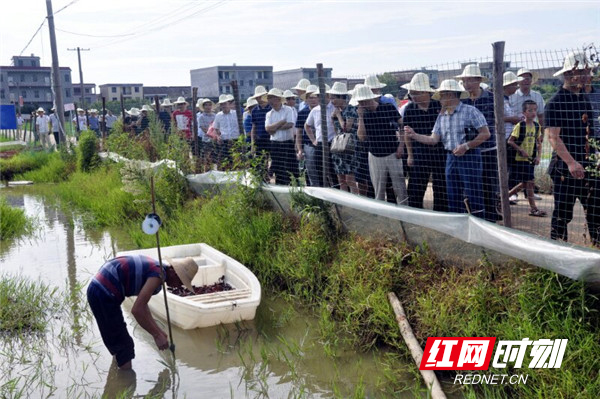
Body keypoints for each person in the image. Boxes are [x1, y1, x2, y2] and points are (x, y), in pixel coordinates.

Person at [87, 255, 198, 370]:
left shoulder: (158, 270)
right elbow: (137, 310)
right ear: (173, 272)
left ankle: (117, 376)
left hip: (99, 290)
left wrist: (159, 331)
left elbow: (143, 305)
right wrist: (156, 335)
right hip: (104, 292)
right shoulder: (159, 275)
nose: (179, 285)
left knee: (117, 343)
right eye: (180, 280)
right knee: (125, 348)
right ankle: (125, 382)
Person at [405, 79, 490, 218]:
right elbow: (433, 140)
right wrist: (414, 135)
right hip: (450, 157)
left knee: (473, 192)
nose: (440, 99)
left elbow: (485, 133)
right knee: (452, 193)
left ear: (450, 95)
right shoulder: (442, 116)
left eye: (442, 95)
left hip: (469, 156)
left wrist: (467, 146)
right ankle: (456, 223)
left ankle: (479, 223)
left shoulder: (470, 111)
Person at [545, 52, 599, 245]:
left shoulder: (584, 98)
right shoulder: (555, 103)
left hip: (589, 166)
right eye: (583, 71)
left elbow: (590, 134)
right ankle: (557, 253)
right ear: (569, 74)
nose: (587, 75)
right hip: (565, 168)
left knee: (596, 210)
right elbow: (553, 137)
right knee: (563, 213)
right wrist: (571, 163)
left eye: (588, 71)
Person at [456, 64, 499, 222]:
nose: (466, 84)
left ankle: (490, 219)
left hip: (488, 149)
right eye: (464, 81)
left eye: (469, 80)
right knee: (470, 187)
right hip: (468, 151)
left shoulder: (491, 98)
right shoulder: (461, 100)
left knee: (489, 185)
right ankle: (473, 218)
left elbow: (498, 122)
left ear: (478, 80)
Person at [402, 72, 448, 211]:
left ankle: (440, 215)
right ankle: (416, 215)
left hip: (440, 152)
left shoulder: (439, 107)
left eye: (415, 93)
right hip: (419, 153)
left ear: (426, 92)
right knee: (416, 187)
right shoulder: (410, 109)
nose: (413, 97)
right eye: (411, 94)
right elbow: (406, 134)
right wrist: (410, 154)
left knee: (441, 186)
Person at [356, 85, 407, 203]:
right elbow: (362, 137)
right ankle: (381, 215)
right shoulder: (365, 115)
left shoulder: (388, 108)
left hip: (393, 152)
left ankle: (405, 211)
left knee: (399, 186)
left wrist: (401, 145)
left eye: (363, 102)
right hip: (374, 154)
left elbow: (401, 124)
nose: (361, 105)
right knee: (378, 189)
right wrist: (360, 117)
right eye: (360, 102)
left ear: (369, 99)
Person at [507, 100, 546, 217]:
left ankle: (504, 197)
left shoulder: (537, 126)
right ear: (523, 112)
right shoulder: (520, 126)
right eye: (530, 110)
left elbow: (539, 143)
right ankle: (533, 209)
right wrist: (520, 150)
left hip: (530, 159)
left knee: (526, 183)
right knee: (529, 182)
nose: (533, 113)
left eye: (535, 110)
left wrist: (538, 156)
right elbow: (510, 141)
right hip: (520, 159)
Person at [328, 82, 359, 194]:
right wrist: (334, 118)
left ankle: (356, 201)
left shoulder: (351, 110)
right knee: (341, 180)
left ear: (342, 97)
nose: (332, 101)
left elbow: (346, 129)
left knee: (350, 180)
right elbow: (337, 131)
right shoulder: (337, 111)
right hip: (338, 148)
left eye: (334, 98)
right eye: (331, 98)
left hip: (349, 148)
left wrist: (338, 116)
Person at [304, 85, 337, 187]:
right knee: (320, 170)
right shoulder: (315, 110)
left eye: (321, 95)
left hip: (333, 143)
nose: (319, 97)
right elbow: (307, 126)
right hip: (320, 144)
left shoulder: (334, 108)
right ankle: (324, 196)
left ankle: (338, 195)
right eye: (317, 95)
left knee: (334, 171)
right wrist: (313, 140)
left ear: (328, 95)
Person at [265, 88, 297, 185]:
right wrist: (281, 122)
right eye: (269, 98)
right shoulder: (269, 114)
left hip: (287, 143)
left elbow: (290, 124)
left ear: (278, 99)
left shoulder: (288, 110)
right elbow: (267, 128)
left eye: (272, 98)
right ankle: (280, 185)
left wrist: (274, 128)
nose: (270, 100)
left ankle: (292, 186)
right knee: (278, 168)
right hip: (275, 144)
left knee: (290, 167)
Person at [295, 85, 320, 186]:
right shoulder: (302, 113)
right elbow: (299, 132)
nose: (313, 99)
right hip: (308, 145)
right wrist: (300, 149)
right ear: (306, 99)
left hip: (324, 145)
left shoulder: (324, 110)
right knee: (311, 171)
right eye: (310, 97)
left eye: (315, 97)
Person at [250, 86, 272, 180]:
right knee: (261, 161)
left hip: (271, 138)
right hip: (260, 139)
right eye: (257, 97)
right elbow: (253, 127)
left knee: (274, 159)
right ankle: (263, 179)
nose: (259, 99)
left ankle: (271, 175)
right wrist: (252, 143)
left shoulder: (271, 108)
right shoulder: (254, 110)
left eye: (260, 96)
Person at [213, 94, 240, 169]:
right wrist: (218, 136)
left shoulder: (236, 113)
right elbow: (216, 128)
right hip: (224, 140)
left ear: (228, 103)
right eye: (222, 104)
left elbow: (241, 126)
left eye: (225, 103)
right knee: (224, 161)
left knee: (236, 160)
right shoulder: (218, 115)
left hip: (236, 139)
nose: (224, 105)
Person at [197, 98, 216, 169]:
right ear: (203, 107)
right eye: (206, 105)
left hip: (215, 139)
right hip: (206, 139)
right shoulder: (201, 117)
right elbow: (203, 129)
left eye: (209, 105)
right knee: (207, 157)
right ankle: (207, 171)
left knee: (214, 158)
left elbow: (217, 126)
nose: (208, 107)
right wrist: (211, 134)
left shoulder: (215, 115)